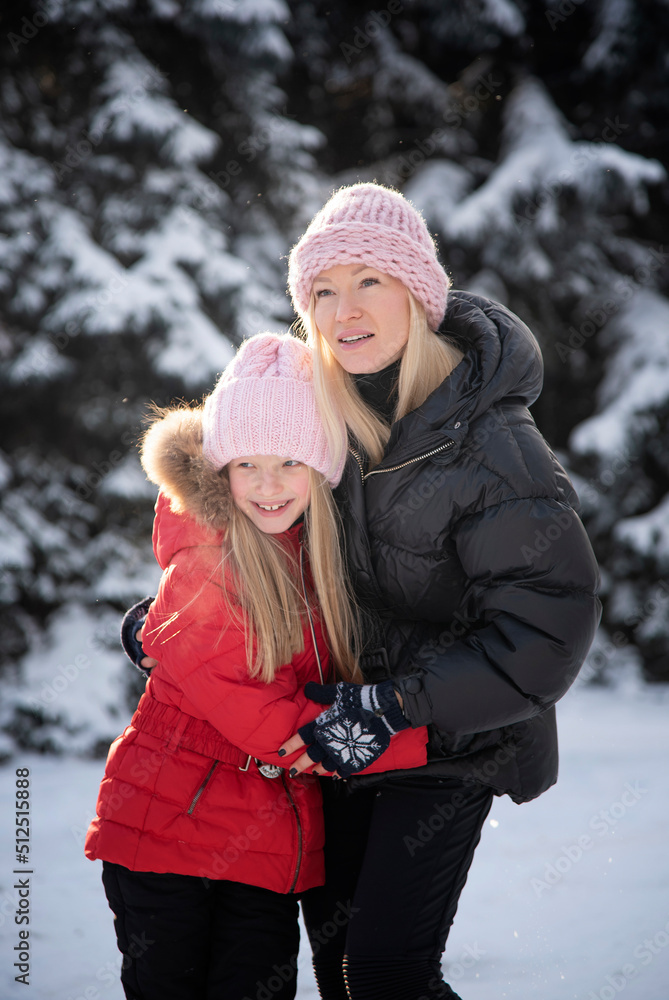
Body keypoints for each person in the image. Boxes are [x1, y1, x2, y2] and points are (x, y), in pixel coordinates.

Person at [277, 182, 602, 1000]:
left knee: (385, 973)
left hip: (446, 740)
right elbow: (256, 544)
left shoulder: (491, 443)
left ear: (417, 296)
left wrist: (393, 705)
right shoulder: (314, 421)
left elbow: (545, 633)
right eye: (323, 290)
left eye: (369, 281)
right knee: (338, 973)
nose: (345, 309)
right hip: (339, 730)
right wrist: (176, 618)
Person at [84, 331, 427, 1000]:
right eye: (248, 464)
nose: (269, 486)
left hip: (266, 847)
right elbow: (265, 719)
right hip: (166, 836)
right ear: (220, 471)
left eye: (290, 462)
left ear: (320, 468)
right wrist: (415, 735)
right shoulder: (204, 560)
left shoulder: (317, 554)